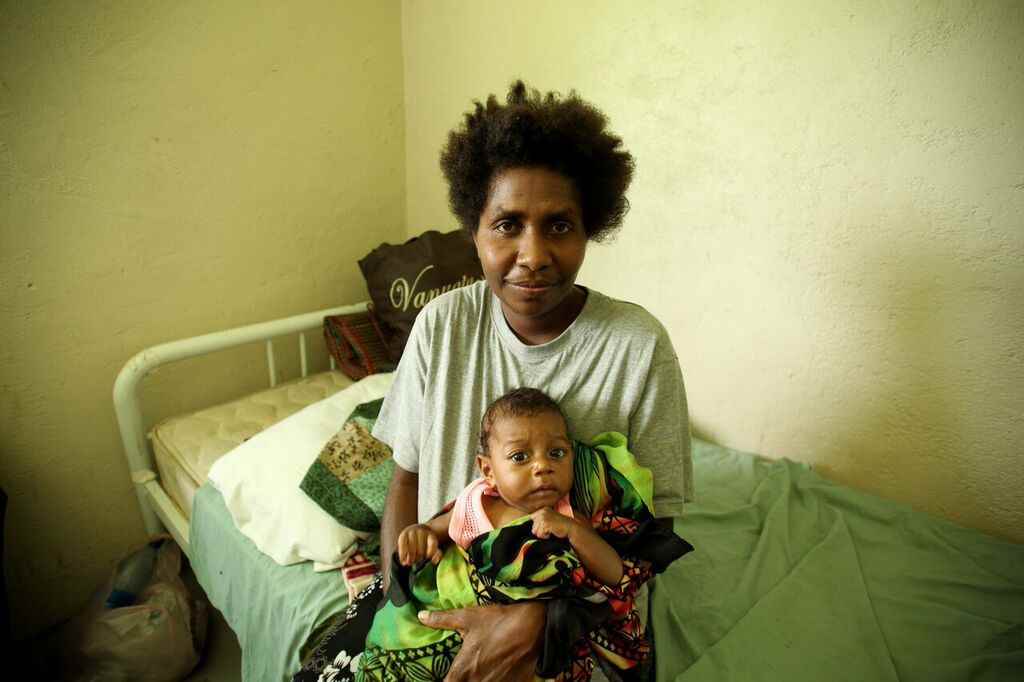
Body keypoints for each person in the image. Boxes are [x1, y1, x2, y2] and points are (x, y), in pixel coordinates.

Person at [293, 80, 694, 682]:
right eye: (507, 224)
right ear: (474, 234)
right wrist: (405, 602)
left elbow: (654, 532)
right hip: (439, 599)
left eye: (559, 226)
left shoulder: (638, 347)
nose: (532, 254)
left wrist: (538, 625)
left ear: (590, 231)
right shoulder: (440, 327)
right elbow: (406, 478)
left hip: (575, 619)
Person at [357, 387, 691, 681]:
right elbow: (434, 531)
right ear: (488, 470)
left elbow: (614, 573)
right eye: (520, 457)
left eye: (557, 453)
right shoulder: (475, 504)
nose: (542, 466)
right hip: (451, 620)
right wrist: (420, 534)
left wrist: (574, 533)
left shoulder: (568, 514)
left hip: (527, 646)